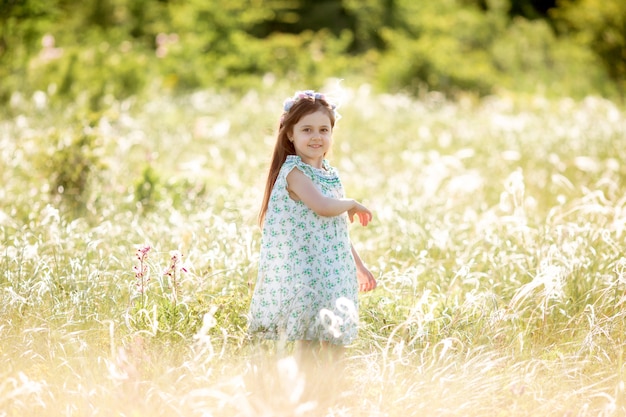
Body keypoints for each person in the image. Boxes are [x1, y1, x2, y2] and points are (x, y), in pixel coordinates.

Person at [248, 90, 376, 360]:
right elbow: (323, 207)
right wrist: (351, 203)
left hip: (334, 271)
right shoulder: (294, 173)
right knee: (307, 339)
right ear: (290, 134)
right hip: (307, 273)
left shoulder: (328, 174)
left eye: (323, 129)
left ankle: (331, 390)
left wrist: (359, 266)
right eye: (307, 129)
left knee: (336, 337)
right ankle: (304, 392)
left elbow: (335, 228)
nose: (317, 137)